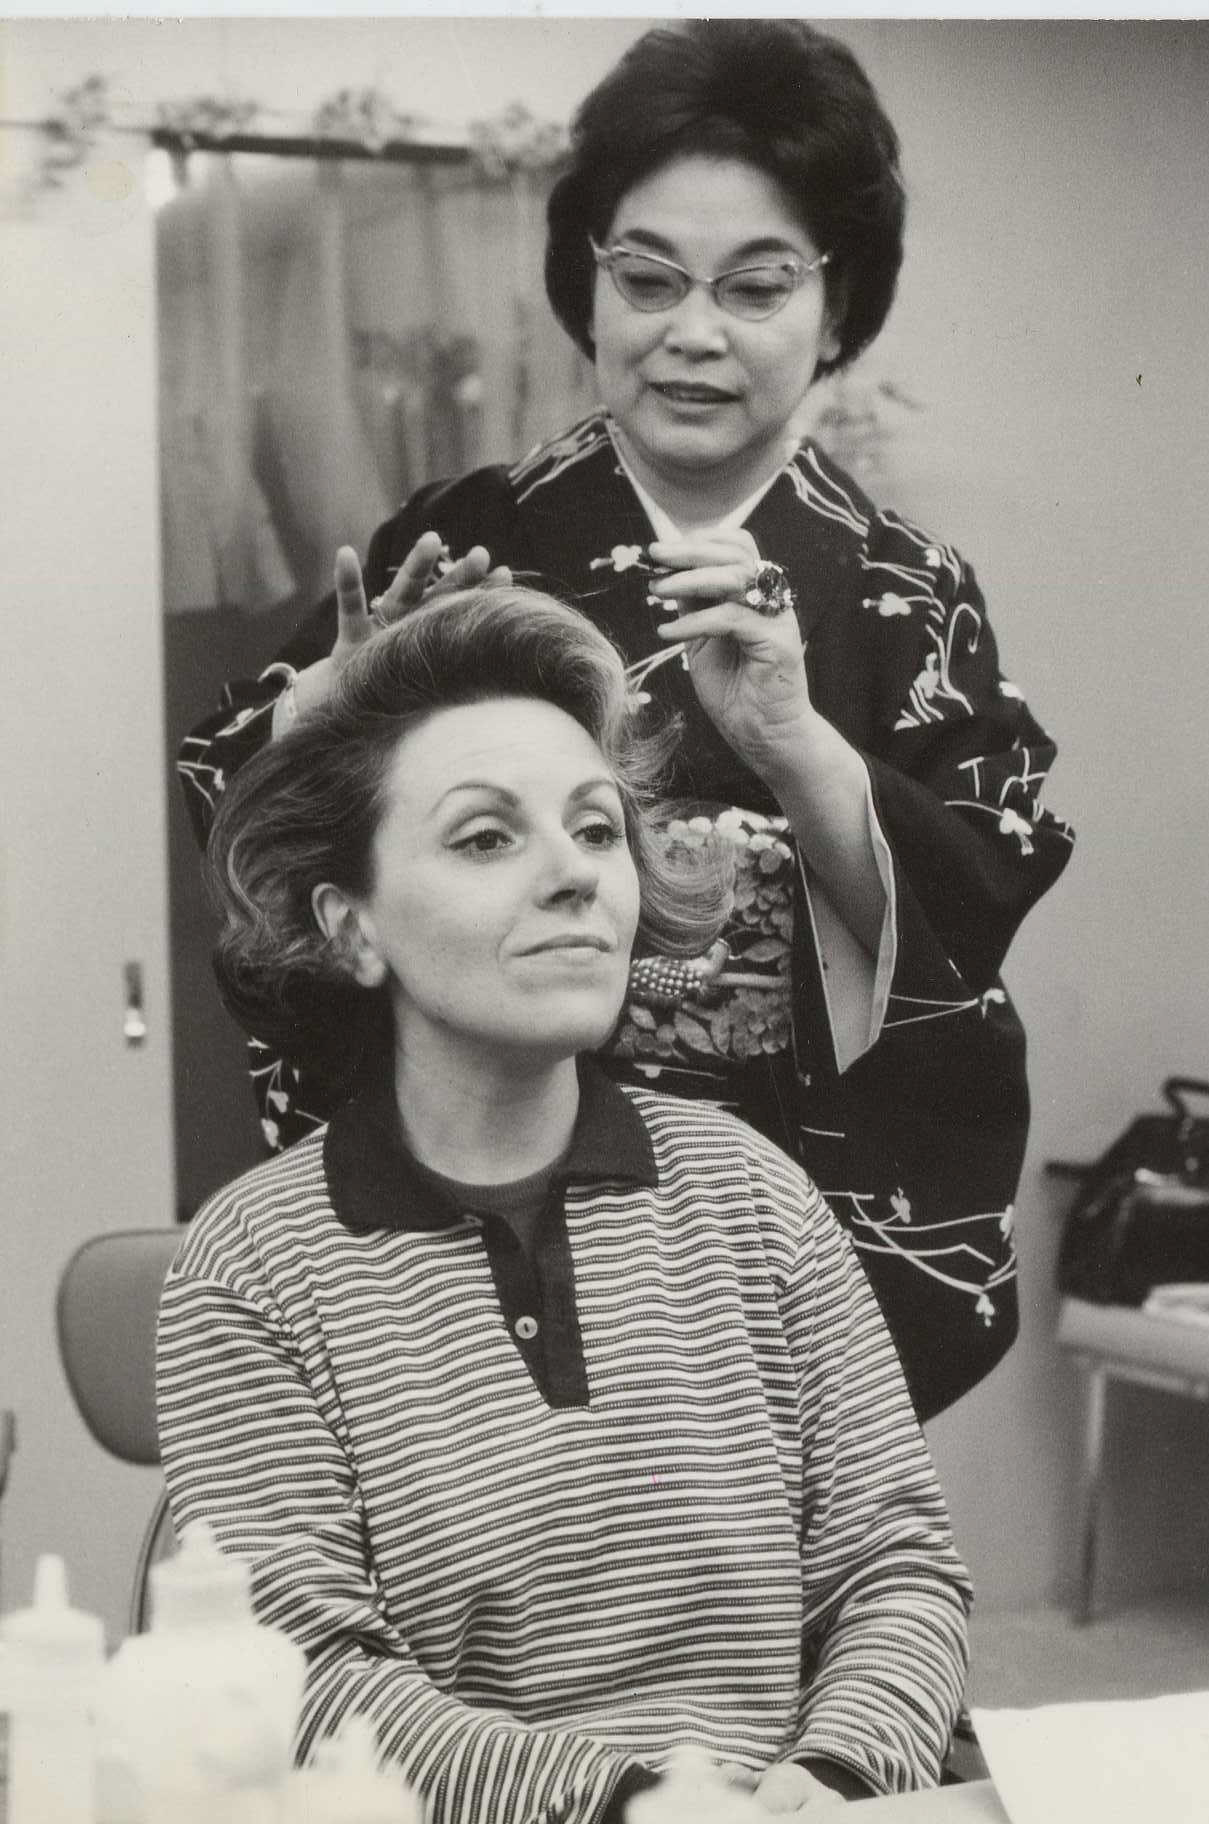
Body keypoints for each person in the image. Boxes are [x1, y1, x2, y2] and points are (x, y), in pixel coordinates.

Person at [178, 19, 1074, 1421]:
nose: (692, 335)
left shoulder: (903, 588)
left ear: (837, 305)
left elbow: (968, 906)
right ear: (586, 285)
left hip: (775, 1218)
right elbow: (263, 846)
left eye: (756, 287)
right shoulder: (467, 538)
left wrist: (794, 740)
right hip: (480, 1174)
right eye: (647, 279)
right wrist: (325, 713)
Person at [159, 587, 973, 1824]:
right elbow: (305, 1674)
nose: (573, 877)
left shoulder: (755, 1198)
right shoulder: (252, 1265)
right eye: (487, 839)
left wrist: (837, 1778)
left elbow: (897, 1567)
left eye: (596, 830)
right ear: (351, 926)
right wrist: (633, 1804)